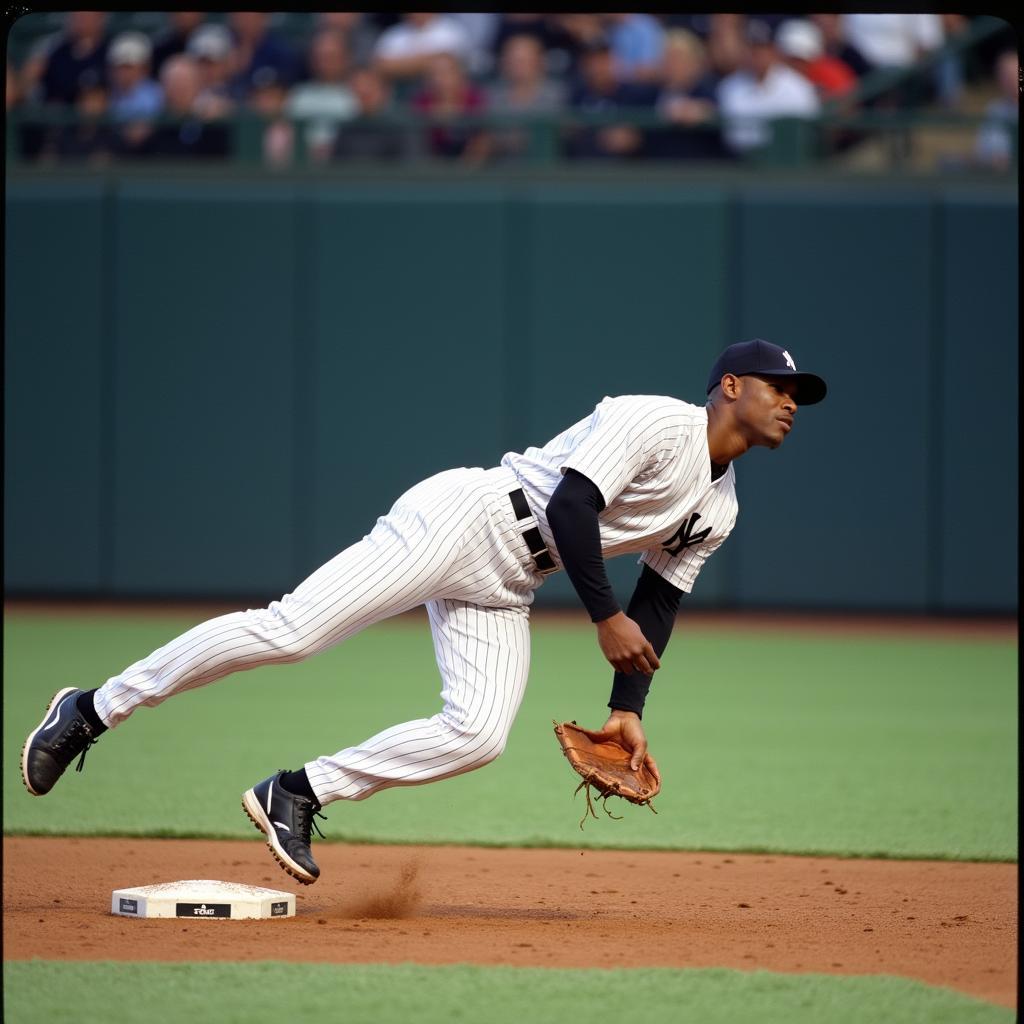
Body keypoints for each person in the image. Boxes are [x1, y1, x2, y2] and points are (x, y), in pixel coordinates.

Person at [21, 339, 827, 887]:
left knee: (478, 733)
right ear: (732, 387)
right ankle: (91, 710)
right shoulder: (658, 420)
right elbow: (577, 506)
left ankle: (297, 792)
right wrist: (601, 616)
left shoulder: (719, 510)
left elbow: (655, 609)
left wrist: (626, 711)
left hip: (513, 579)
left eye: (799, 396)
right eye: (781, 388)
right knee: (291, 630)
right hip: (468, 516)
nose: (791, 403)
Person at [717, 20, 821, 155]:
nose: (757, 56)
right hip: (739, 163)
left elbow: (808, 135)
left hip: (785, 163)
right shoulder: (729, 87)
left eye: (762, 50)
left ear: (774, 51)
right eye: (752, 49)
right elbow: (732, 137)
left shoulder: (798, 87)